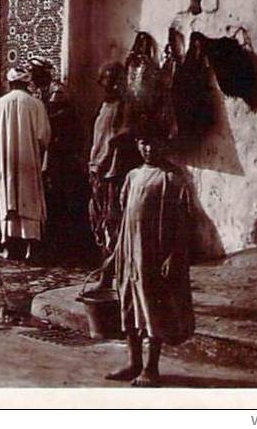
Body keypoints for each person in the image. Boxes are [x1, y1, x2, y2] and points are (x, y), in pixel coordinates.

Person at [101, 136, 195, 387]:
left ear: (164, 145)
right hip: (129, 252)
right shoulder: (132, 176)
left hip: (153, 254)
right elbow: (124, 215)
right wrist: (116, 248)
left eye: (154, 143)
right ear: (137, 144)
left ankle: (151, 368)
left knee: (153, 306)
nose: (149, 148)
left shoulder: (172, 178)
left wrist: (173, 255)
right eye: (144, 142)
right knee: (129, 305)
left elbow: (183, 223)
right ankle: (133, 362)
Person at [0, 65, 51, 262]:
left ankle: (10, 247)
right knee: (30, 201)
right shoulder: (36, 104)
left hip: (6, 163)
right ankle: (32, 248)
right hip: (29, 161)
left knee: (8, 200)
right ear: (26, 83)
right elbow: (44, 137)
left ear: (10, 83)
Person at [27, 55, 88, 260]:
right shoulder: (40, 92)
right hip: (50, 153)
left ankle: (64, 247)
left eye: (35, 74)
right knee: (51, 199)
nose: (32, 78)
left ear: (43, 73)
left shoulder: (57, 91)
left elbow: (56, 119)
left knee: (61, 199)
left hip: (62, 154)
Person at [87, 62, 142, 259]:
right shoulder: (104, 105)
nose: (109, 85)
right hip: (100, 169)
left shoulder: (125, 104)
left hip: (114, 170)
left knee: (114, 219)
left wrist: (108, 151)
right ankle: (107, 261)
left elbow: (125, 131)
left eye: (113, 81)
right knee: (100, 218)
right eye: (106, 81)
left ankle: (114, 265)